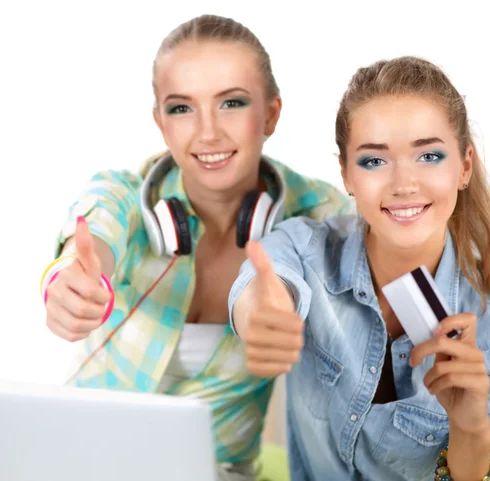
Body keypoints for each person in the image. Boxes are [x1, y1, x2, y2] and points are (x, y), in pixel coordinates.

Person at [40, 14, 352, 481]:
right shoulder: (123, 196)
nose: (207, 133)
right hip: (83, 459)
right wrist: (68, 280)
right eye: (182, 108)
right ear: (160, 123)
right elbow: (94, 230)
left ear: (270, 113)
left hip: (219, 472)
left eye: (231, 102)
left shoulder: (320, 213)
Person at [230, 56, 490, 481]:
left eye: (429, 156)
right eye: (374, 161)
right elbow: (262, 285)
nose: (403, 184)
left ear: (464, 166)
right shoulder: (305, 248)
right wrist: (263, 317)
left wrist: (470, 428)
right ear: (346, 175)